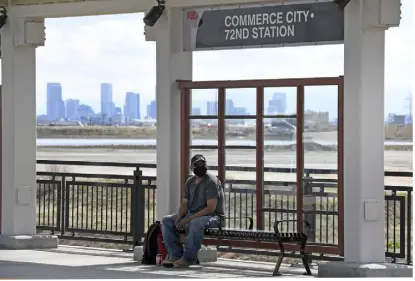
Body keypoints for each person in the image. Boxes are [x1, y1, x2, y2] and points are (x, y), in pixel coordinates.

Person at [161, 154, 225, 268]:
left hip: (213, 217)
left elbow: (211, 208)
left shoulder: (211, 182)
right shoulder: (190, 182)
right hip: (192, 215)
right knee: (167, 221)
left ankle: (188, 258)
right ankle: (175, 255)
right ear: (192, 168)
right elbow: (185, 203)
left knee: (195, 223)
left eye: (202, 164)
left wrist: (188, 219)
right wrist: (179, 218)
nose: (200, 167)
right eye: (197, 165)